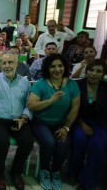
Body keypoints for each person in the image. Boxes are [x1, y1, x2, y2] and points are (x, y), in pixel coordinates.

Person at [0, 52, 34, 190]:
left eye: (10, 62)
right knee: (1, 142)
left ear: (17, 64)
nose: (7, 66)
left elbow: (29, 104)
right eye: (4, 63)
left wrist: (24, 118)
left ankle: (16, 171)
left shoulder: (24, 82)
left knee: (28, 141)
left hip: (18, 119)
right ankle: (0, 173)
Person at [28, 54, 80, 190]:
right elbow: (31, 105)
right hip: (41, 122)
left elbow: (75, 108)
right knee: (49, 142)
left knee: (63, 143)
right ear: (47, 68)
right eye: (53, 67)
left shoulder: (72, 84)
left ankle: (55, 172)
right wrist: (50, 100)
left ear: (65, 67)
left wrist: (66, 127)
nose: (57, 69)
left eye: (60, 66)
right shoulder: (41, 84)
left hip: (61, 124)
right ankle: (44, 171)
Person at [68, 59, 107, 190]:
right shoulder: (77, 85)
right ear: (86, 70)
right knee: (79, 140)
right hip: (78, 121)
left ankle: (87, 182)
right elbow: (71, 108)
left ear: (103, 74)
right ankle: (74, 173)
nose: (94, 74)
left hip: (100, 124)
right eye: (91, 70)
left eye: (99, 71)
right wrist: (82, 124)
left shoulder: (105, 88)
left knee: (98, 145)